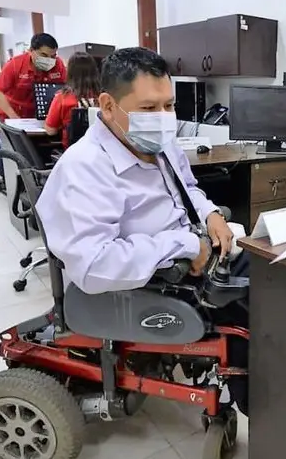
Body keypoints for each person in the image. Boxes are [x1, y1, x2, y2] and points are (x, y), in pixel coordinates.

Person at [35, 46, 247, 413]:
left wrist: (211, 214)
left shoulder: (157, 143)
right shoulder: (84, 170)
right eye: (149, 108)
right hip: (153, 279)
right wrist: (185, 245)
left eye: (169, 106)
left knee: (283, 276)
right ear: (107, 105)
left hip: (194, 253)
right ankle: (259, 405)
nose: (163, 118)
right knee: (257, 315)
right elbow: (94, 266)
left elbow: (188, 189)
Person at [0, 33, 67, 123]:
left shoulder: (58, 65)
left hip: (41, 117)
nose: (49, 60)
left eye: (53, 56)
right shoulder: (15, 64)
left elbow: (66, 89)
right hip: (13, 115)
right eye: (44, 55)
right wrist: (15, 119)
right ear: (31, 51)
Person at [44, 51, 100, 148]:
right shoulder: (104, 97)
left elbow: (51, 131)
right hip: (101, 153)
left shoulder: (62, 97)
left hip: (73, 154)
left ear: (69, 72)